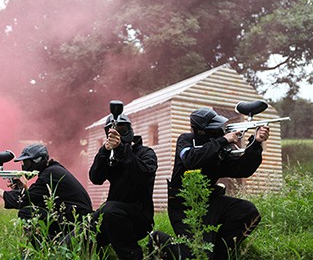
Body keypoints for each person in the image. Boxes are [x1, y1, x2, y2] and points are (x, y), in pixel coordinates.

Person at [151, 107, 270, 259]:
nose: (219, 130)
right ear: (201, 131)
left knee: (248, 212)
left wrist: (256, 143)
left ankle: (221, 253)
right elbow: (190, 160)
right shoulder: (186, 140)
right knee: (197, 255)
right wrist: (223, 140)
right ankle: (158, 239)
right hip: (184, 206)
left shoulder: (220, 147)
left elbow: (243, 169)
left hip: (209, 201)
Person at [0, 144, 93, 239]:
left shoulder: (50, 174)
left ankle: (46, 248)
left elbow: (25, 199)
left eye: (27, 162)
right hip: (75, 216)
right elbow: (38, 199)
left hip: (77, 219)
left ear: (37, 161)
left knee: (27, 213)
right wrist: (22, 188)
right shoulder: (53, 170)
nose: (24, 166)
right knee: (33, 211)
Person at [89, 112, 158, 260]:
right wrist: (104, 151)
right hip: (112, 214)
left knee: (108, 209)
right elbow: (96, 177)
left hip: (140, 218)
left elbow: (143, 174)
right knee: (85, 228)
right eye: (114, 131)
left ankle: (133, 255)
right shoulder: (110, 155)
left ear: (130, 130)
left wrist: (121, 149)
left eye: (123, 130)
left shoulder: (146, 153)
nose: (118, 134)